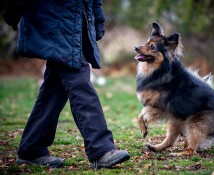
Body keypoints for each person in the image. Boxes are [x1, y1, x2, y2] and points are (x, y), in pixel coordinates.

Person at [3, 0, 130, 169]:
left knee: (54, 90)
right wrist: (14, 8)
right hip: (55, 22)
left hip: (76, 23)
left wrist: (98, 20)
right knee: (80, 83)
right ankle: (101, 149)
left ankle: (31, 148)